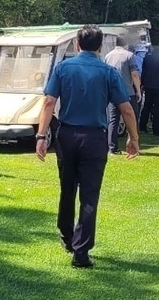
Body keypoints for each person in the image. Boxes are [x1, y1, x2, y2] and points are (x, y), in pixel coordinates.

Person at [35, 26, 139, 268]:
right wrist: (133, 138)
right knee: (89, 196)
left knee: (67, 188)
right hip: (94, 138)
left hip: (67, 135)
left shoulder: (63, 68)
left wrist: (41, 135)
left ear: (77, 45)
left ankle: (67, 236)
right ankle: (81, 252)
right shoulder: (107, 72)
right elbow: (126, 108)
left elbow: (49, 101)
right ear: (100, 46)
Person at [103, 40, 141, 153]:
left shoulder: (108, 56)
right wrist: (138, 90)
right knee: (132, 118)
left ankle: (112, 148)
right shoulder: (129, 55)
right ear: (126, 44)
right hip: (128, 92)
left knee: (113, 120)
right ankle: (133, 143)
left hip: (112, 93)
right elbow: (134, 74)